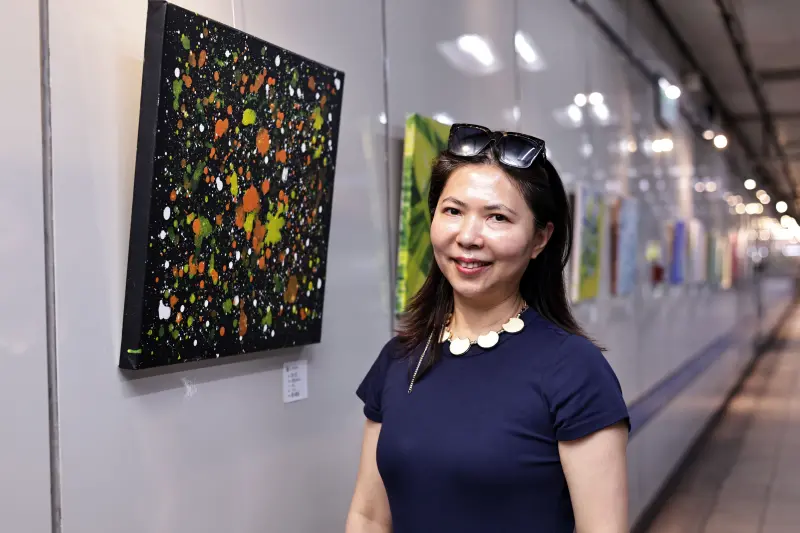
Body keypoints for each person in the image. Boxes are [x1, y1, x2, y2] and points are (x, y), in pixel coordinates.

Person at [346, 123, 630, 533]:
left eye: (497, 217)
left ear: (540, 239)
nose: (468, 236)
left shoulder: (574, 370)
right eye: (453, 211)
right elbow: (369, 516)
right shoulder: (400, 358)